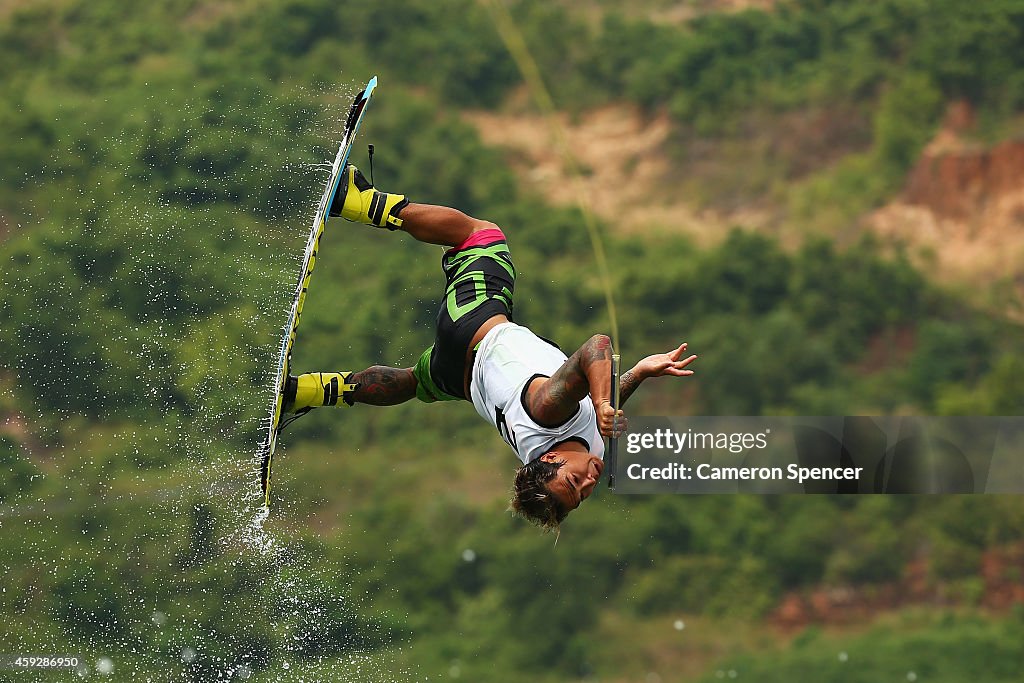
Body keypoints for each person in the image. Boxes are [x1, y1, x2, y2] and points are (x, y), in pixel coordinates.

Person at [283, 165, 697, 530]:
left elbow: (595, 348)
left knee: (480, 235)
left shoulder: (548, 412)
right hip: (458, 378)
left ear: (548, 462)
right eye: (584, 492)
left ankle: (359, 202)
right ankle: (304, 392)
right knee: (412, 383)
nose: (590, 481)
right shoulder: (585, 450)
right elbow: (593, 413)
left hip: (477, 328)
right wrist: (637, 374)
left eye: (574, 482)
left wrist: (604, 403)